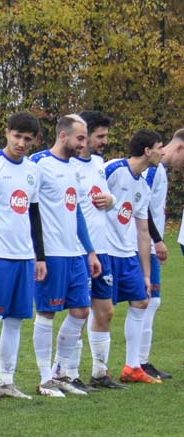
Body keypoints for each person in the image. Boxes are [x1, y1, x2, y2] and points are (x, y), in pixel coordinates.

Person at [29, 115, 100, 397]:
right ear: (63, 136)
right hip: (52, 252)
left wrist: (90, 250)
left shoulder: (73, 168)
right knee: (46, 312)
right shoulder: (39, 163)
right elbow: (30, 209)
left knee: (82, 310)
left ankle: (60, 372)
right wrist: (38, 253)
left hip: (74, 253)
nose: (84, 144)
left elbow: (77, 211)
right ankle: (44, 379)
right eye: (80, 138)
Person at [0, 113, 42, 401]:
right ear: (6, 133)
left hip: (24, 256)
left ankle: (7, 382)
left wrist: (39, 256)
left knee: (15, 321)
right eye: (17, 137)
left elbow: (34, 214)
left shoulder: (33, 170)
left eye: (28, 139)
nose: (21, 143)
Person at [104, 130, 163, 384]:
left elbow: (142, 231)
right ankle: (95, 369)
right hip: (105, 251)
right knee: (102, 310)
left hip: (126, 253)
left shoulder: (143, 185)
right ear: (147, 151)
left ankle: (132, 367)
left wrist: (146, 275)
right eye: (159, 147)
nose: (162, 152)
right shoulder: (113, 169)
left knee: (141, 301)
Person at [78, 111, 123, 389]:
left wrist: (111, 199)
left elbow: (107, 198)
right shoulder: (69, 165)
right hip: (80, 250)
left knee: (105, 311)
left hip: (102, 249)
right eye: (100, 136)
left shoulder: (97, 163)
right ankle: (64, 371)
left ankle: (99, 373)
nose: (104, 141)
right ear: (85, 135)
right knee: (79, 313)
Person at [136, 130, 184, 379]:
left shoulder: (160, 170)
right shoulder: (153, 170)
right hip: (143, 244)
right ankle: (138, 362)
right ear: (180, 148)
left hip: (149, 243)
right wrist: (157, 240)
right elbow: (142, 208)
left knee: (150, 301)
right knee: (147, 301)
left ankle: (140, 361)